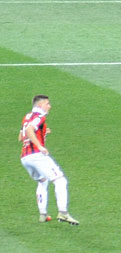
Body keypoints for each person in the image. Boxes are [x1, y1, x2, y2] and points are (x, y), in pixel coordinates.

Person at [19, 95, 79, 225]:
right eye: (47, 104)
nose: (49, 106)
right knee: (60, 180)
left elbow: (21, 136)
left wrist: (43, 133)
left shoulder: (27, 117)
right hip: (36, 156)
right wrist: (40, 146)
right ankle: (63, 213)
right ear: (40, 105)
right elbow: (30, 130)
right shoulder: (39, 117)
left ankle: (43, 214)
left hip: (25, 157)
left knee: (42, 181)